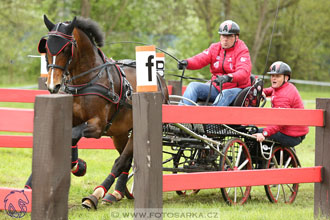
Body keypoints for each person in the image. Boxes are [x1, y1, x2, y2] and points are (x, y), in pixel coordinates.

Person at [177, 20, 252, 106]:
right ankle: (181, 116)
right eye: (223, 36)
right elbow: (200, 59)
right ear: (220, 36)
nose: (225, 39)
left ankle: (210, 118)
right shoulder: (214, 48)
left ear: (236, 37)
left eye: (229, 36)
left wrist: (229, 77)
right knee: (193, 86)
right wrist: (187, 63)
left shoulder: (242, 50)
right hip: (217, 88)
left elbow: (244, 71)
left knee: (225, 94)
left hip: (236, 89)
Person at [252, 61, 309, 147]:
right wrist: (263, 92)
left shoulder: (284, 96)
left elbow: (280, 122)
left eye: (277, 76)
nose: (274, 78)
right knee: (255, 131)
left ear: (286, 78)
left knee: (253, 133)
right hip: (289, 129)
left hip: (292, 134)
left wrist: (264, 133)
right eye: (272, 76)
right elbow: (271, 90)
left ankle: (250, 158)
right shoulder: (283, 87)